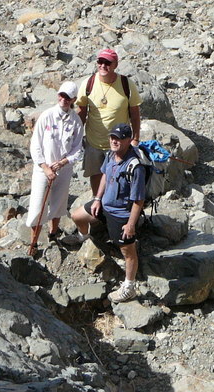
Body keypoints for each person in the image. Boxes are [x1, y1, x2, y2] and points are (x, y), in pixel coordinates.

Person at [70, 123, 146, 303]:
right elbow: (104, 174)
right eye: (112, 137)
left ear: (128, 140)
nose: (114, 141)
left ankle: (129, 287)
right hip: (104, 206)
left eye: (118, 138)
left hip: (121, 215)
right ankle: (85, 238)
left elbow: (138, 200)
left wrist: (130, 225)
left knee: (128, 252)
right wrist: (97, 198)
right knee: (76, 216)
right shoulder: (112, 155)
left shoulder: (135, 167)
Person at [26, 81, 84, 253]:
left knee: (59, 203)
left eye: (67, 97)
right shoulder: (47, 116)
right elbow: (35, 144)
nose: (63, 99)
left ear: (73, 99)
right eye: (61, 95)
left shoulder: (76, 121)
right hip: (43, 169)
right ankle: (33, 243)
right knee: (38, 205)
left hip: (63, 169)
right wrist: (45, 167)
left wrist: (63, 163)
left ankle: (53, 234)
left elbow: (77, 148)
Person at [76, 48, 142, 196]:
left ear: (115, 64)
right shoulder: (88, 83)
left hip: (119, 145)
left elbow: (135, 113)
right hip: (94, 143)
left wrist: (135, 139)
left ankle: (116, 210)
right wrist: (76, 138)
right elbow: (81, 111)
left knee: (119, 179)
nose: (103, 65)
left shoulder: (126, 84)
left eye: (107, 62)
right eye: (100, 61)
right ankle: (97, 205)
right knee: (95, 175)